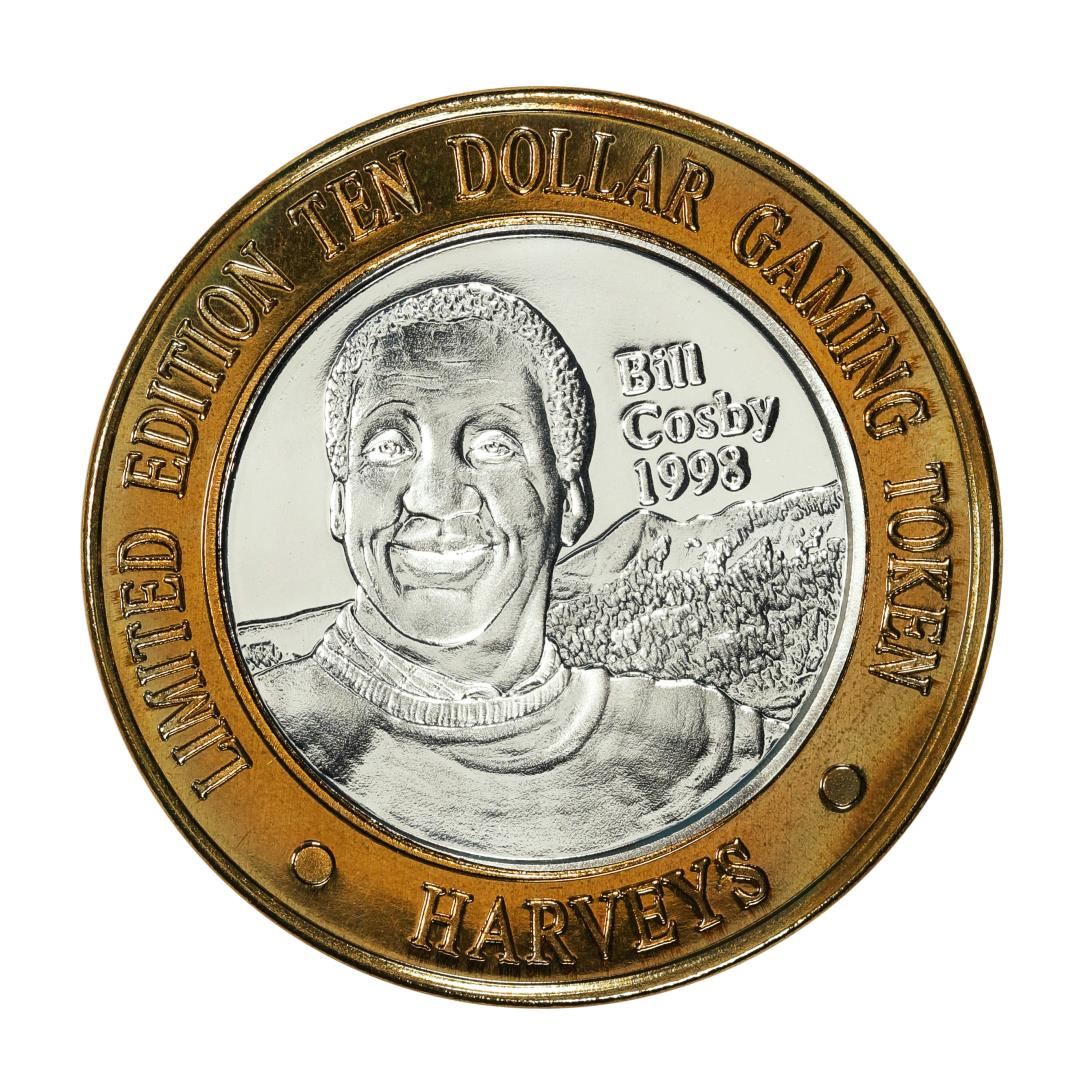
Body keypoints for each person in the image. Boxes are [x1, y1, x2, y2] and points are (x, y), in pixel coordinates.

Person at [256, 281, 766, 862]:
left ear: (569, 502)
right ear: (339, 504)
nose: (434, 498)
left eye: (494, 446)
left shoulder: (710, 745)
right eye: (389, 448)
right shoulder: (264, 741)